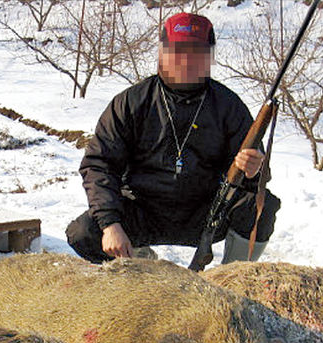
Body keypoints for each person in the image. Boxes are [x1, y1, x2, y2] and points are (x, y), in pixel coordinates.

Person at [66, 12, 280, 264]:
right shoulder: (131, 102)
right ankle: (138, 259)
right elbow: (99, 165)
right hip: (143, 209)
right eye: (178, 50)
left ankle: (233, 278)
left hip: (204, 212)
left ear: (210, 56)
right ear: (162, 52)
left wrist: (255, 171)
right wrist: (111, 223)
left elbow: (254, 178)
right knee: (83, 232)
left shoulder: (229, 106)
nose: (187, 60)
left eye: (197, 52)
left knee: (261, 209)